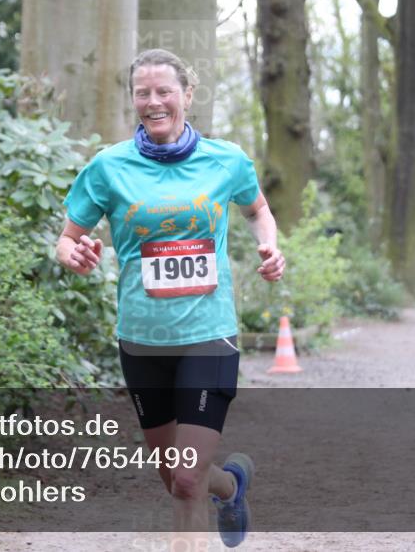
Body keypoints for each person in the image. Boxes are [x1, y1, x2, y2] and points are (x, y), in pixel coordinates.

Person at [56, 49, 284, 548]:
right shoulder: (108, 167)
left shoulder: (226, 159)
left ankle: (211, 489)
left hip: (209, 333)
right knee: (179, 479)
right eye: (143, 92)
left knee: (184, 481)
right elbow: (67, 237)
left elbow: (257, 211)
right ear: (133, 99)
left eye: (164, 91)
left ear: (188, 94)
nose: (154, 101)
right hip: (142, 341)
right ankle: (231, 486)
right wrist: (74, 254)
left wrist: (270, 245)